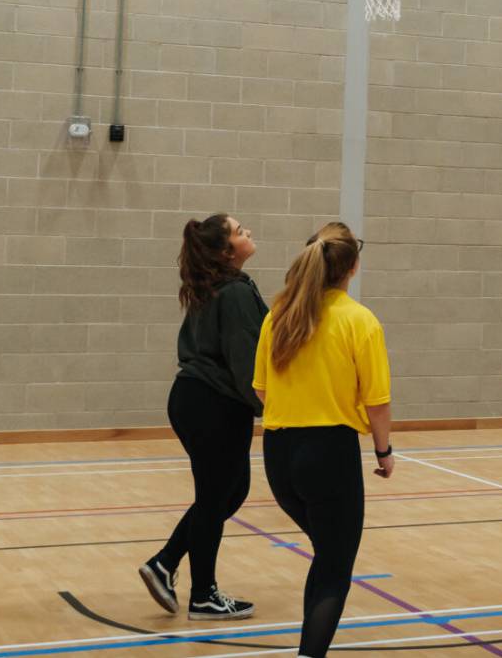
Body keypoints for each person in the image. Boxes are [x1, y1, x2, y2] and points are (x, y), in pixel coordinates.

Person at [254, 222, 394, 657]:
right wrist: (384, 451)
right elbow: (378, 401)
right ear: (352, 267)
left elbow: (260, 390)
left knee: (327, 556)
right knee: (336, 569)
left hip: (278, 455)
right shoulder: (359, 320)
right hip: (329, 454)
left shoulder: (279, 314)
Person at [139, 214, 266, 620]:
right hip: (213, 403)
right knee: (216, 497)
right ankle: (203, 595)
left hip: (198, 401)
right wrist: (273, 410)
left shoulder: (221, 288)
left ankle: (165, 562)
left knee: (230, 491)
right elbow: (246, 362)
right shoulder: (233, 295)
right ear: (228, 251)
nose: (248, 231)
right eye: (239, 230)